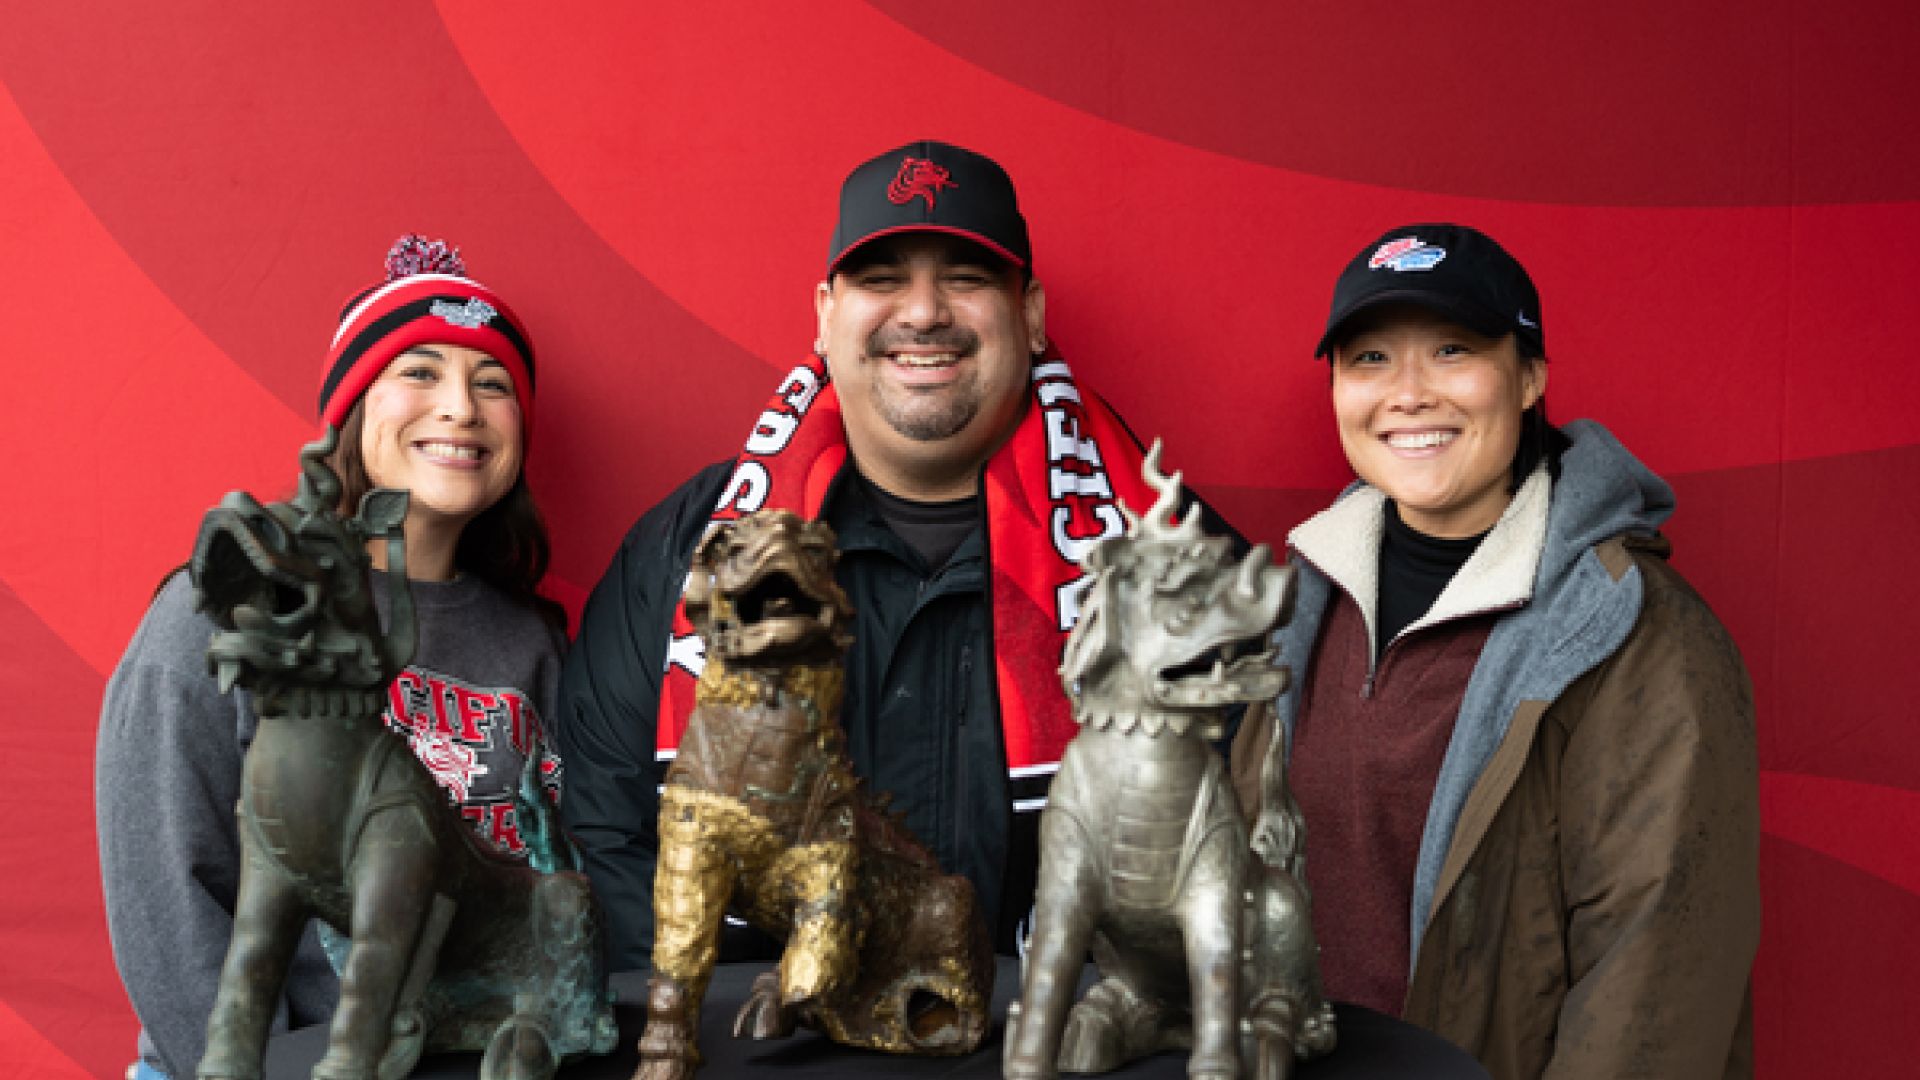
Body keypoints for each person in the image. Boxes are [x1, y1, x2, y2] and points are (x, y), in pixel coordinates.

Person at [556, 140, 1237, 973]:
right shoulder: (691, 545)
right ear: (824, 313)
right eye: (881, 279)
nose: (921, 313)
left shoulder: (1169, 550)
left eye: (966, 276)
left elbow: (1232, 822)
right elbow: (609, 827)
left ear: (1028, 311)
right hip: (769, 1056)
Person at [1230, 223, 1760, 1078]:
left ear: (1529, 377)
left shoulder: (1640, 634)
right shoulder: (1291, 602)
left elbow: (1655, 986)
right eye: (1368, 359)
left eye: (1451, 350)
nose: (1406, 393)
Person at [96, 237, 568, 1080]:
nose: (460, 407)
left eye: (492, 383)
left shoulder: (535, 642)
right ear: (350, 412)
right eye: (418, 372)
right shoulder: (234, 606)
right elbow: (168, 892)